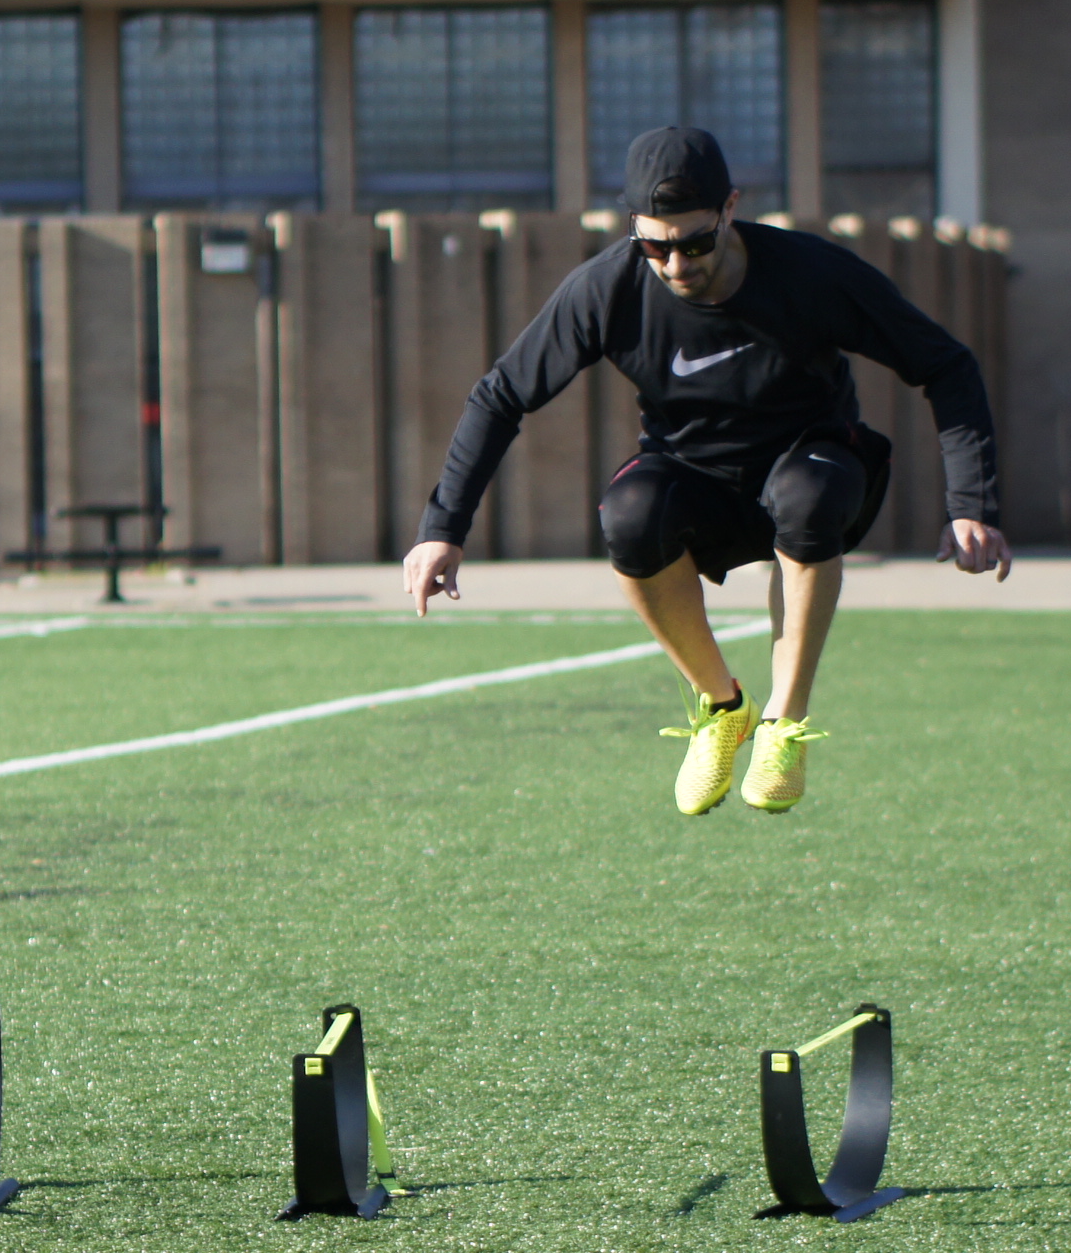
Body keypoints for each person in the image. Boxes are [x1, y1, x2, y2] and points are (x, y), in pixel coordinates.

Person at [400, 126, 1010, 814]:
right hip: (695, 477)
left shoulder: (811, 273)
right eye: (654, 245)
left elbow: (946, 364)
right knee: (628, 516)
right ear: (632, 228)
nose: (675, 263)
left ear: (730, 210)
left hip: (813, 461)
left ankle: (784, 721)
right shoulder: (608, 288)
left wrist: (972, 504)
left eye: (694, 242)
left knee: (805, 496)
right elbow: (501, 394)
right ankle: (725, 708)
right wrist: (441, 528)